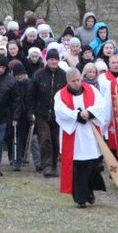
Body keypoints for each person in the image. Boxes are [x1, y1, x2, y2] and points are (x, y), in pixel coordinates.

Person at [54, 68, 107, 208]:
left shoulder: (91, 90)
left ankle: (90, 191)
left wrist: (89, 113)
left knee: (91, 164)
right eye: (73, 81)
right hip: (73, 135)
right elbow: (60, 111)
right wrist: (76, 115)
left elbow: (101, 105)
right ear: (68, 81)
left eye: (78, 80)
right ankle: (80, 198)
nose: (77, 83)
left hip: (89, 132)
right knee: (78, 167)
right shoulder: (61, 94)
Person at [30, 48, 68, 177]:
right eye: (51, 59)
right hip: (41, 114)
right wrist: (31, 112)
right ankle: (46, 165)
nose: (53, 61)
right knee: (45, 139)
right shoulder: (38, 75)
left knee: (56, 141)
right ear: (47, 60)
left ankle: (53, 165)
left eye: (55, 59)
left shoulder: (64, 75)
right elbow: (31, 95)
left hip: (58, 115)